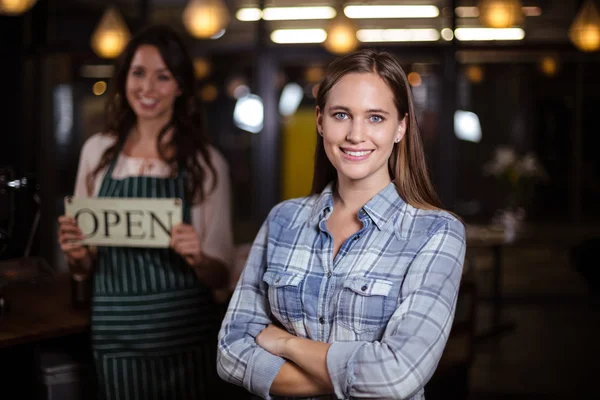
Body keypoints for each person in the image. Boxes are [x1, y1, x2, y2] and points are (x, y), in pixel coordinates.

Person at [217, 49, 466, 399]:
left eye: (376, 118)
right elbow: (230, 352)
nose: (355, 134)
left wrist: (285, 343)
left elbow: (396, 377)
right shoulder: (283, 220)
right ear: (321, 121)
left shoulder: (436, 232)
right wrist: (355, 378)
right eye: (341, 115)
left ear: (401, 127)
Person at [57, 25, 234, 400]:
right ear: (124, 80)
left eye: (163, 76)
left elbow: (220, 275)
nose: (147, 88)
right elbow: (84, 267)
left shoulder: (205, 162)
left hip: (186, 339)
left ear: (181, 86)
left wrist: (198, 257)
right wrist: (76, 256)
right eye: (138, 73)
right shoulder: (97, 153)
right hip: (116, 337)